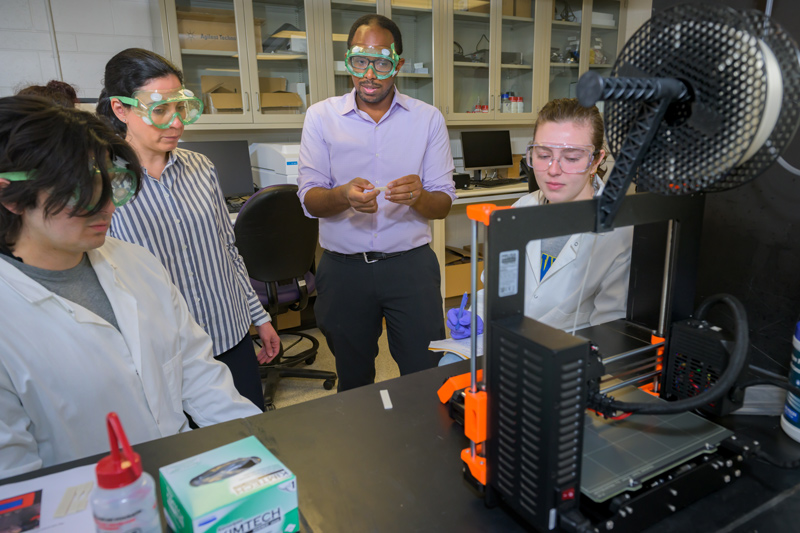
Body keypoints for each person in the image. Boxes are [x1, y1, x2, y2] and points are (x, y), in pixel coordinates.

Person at [0, 96, 261, 478]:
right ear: (10, 195)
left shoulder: (137, 263)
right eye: (82, 190)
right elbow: (14, 483)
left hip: (184, 479)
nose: (108, 206)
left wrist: (258, 451)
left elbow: (199, 374)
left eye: (114, 184)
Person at [96, 49, 280, 410]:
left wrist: (259, 317)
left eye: (180, 109)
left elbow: (227, 249)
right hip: (163, 351)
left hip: (228, 333)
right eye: (160, 110)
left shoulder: (201, 167)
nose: (176, 122)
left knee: (251, 440)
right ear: (121, 110)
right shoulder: (103, 181)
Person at [297, 14, 456, 391]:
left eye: (382, 62)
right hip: (343, 271)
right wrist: (343, 196)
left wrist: (419, 198)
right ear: (348, 62)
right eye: (359, 61)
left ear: (398, 64)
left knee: (424, 374)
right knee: (354, 380)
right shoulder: (321, 117)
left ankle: (423, 447)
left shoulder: (427, 119)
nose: (370, 74)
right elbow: (309, 199)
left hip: (411, 269)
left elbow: (444, 203)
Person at [441, 98, 633, 364]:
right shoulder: (522, 207)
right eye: (543, 155)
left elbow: (610, 331)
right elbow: (497, 288)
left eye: (572, 157)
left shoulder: (618, 232)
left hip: (564, 363)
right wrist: (479, 316)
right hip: (504, 347)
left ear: (595, 160)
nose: (553, 170)